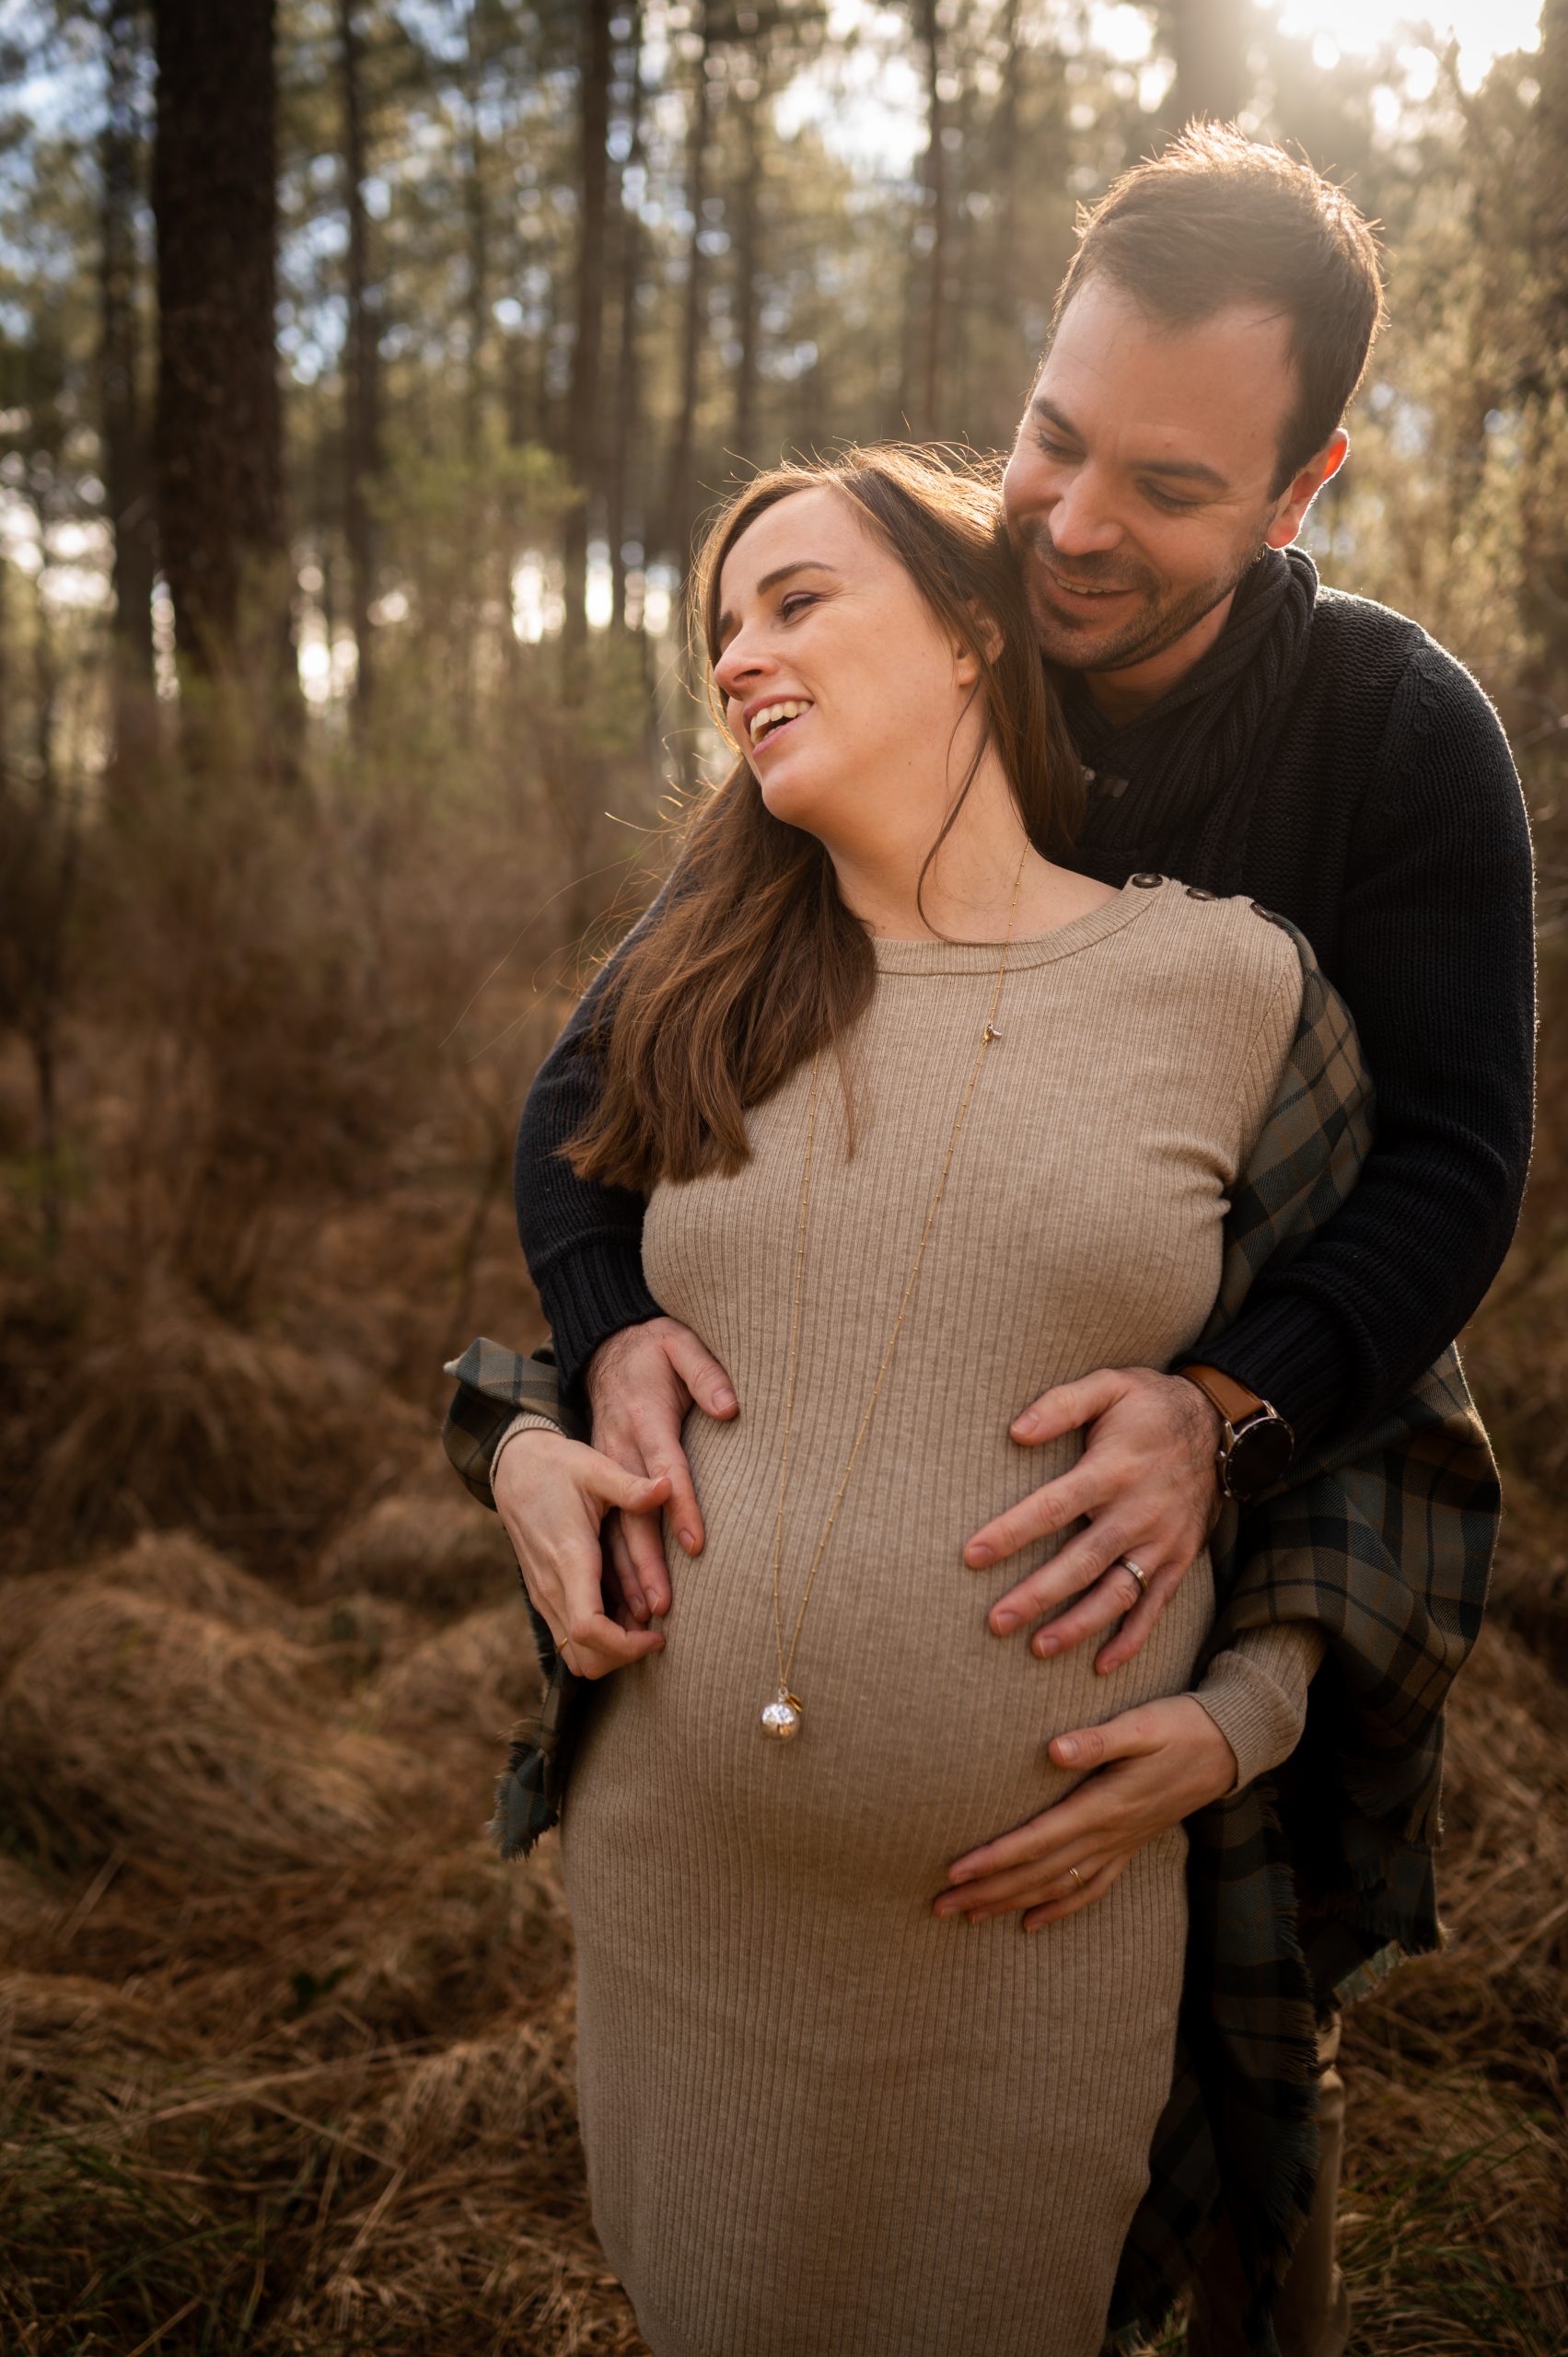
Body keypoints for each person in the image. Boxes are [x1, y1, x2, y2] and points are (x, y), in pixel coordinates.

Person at [495, 126, 1535, 2357]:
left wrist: (1224, 1408)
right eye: (1055, 435)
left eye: (1169, 486)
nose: (1068, 521)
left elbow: (1448, 1178)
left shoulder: (1386, 737)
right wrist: (604, 1336)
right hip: (727, 1898)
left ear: (1305, 487)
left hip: (1230, 1522)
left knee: (1237, 2140)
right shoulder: (932, 638)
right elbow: (589, 1096)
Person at [482, 442, 1347, 2357]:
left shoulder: (1226, 982)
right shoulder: (703, 987)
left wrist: (1248, 1718)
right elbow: (581, 1344)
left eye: (796, 601)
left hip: (1024, 1946)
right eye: (723, 628)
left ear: (972, 631)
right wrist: (527, 1454)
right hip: (679, 1895)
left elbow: (1371, 1418)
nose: (738, 656)